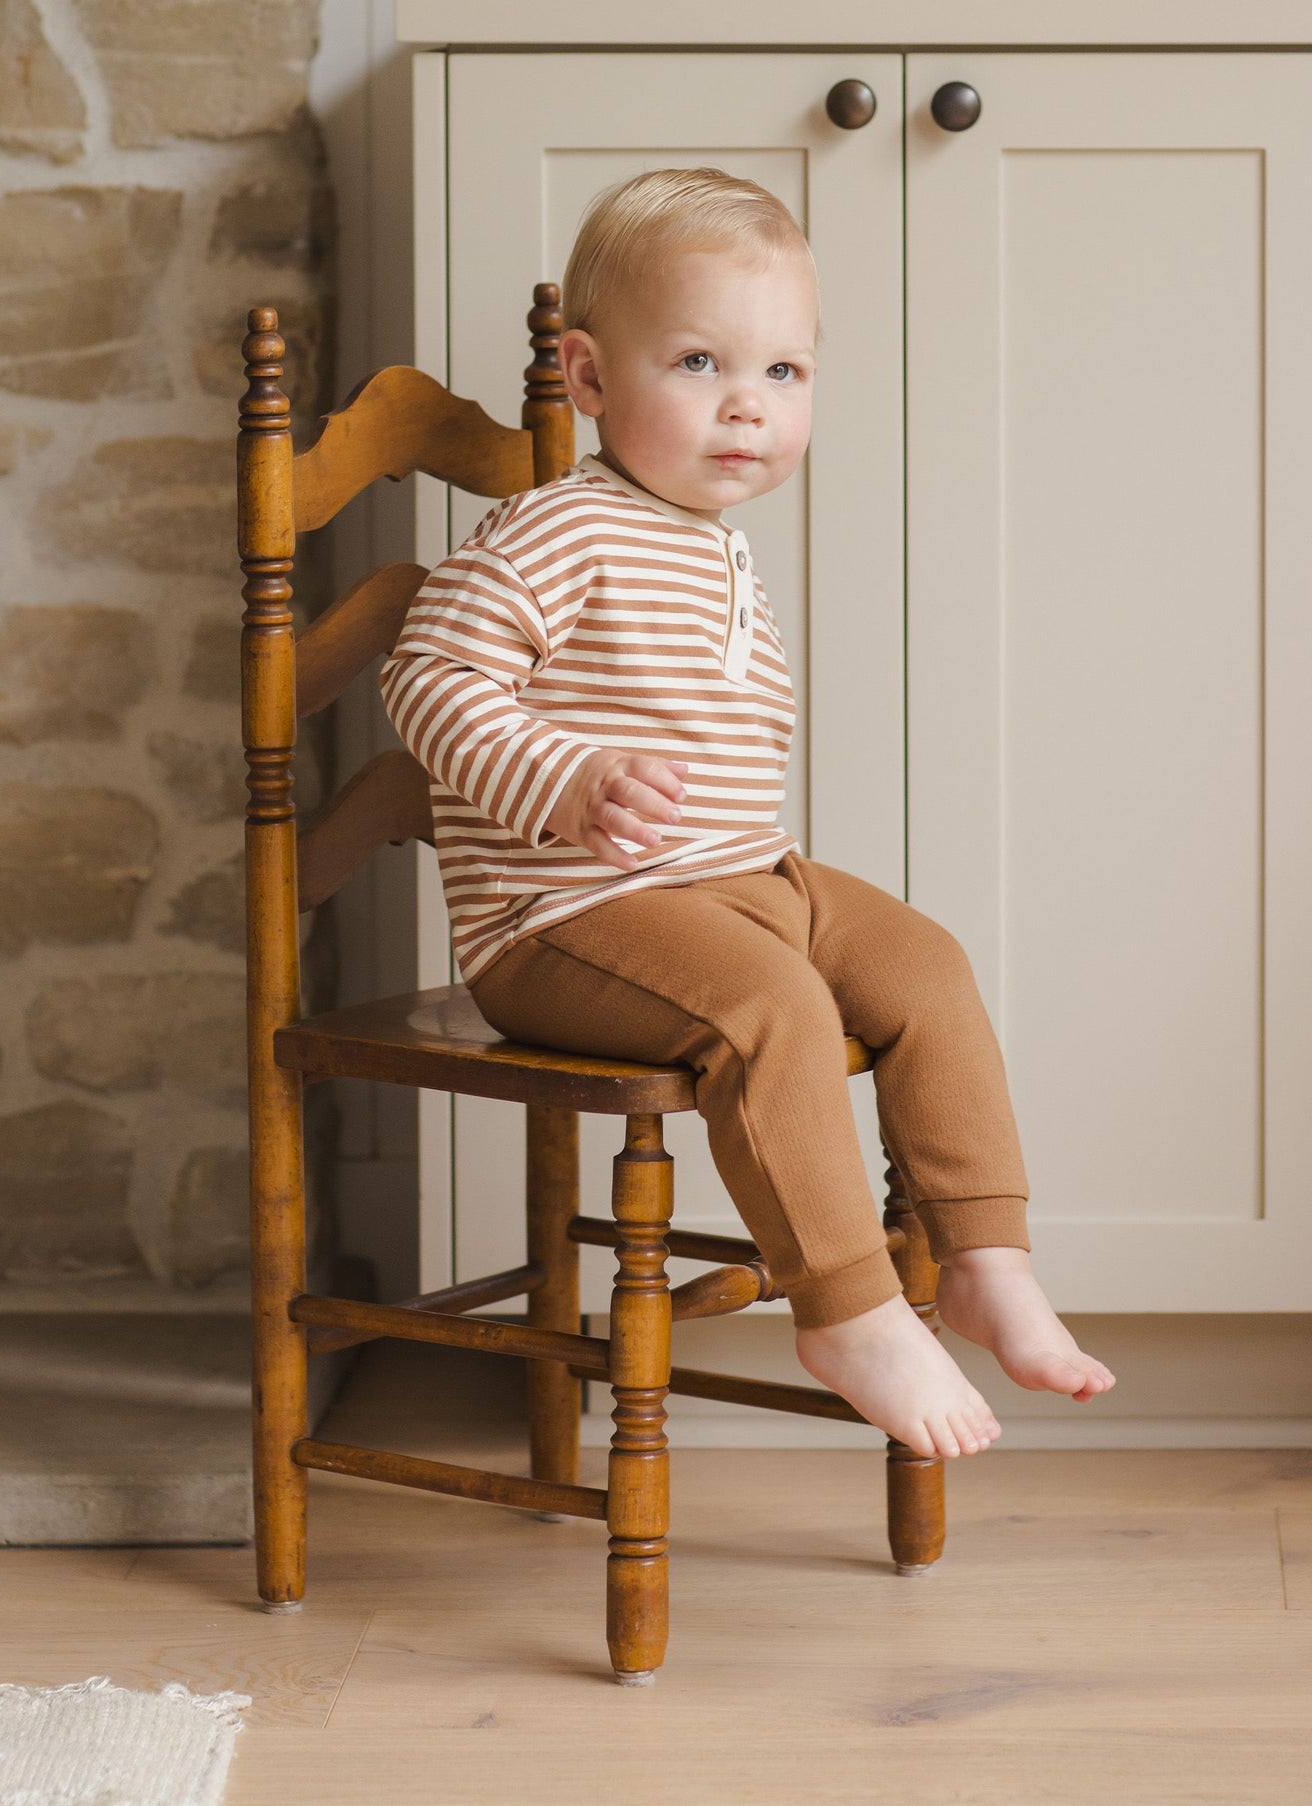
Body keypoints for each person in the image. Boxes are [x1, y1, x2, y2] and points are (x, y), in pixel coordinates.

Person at [378, 166, 1116, 1460]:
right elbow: (426, 677)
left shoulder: (707, 538)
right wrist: (562, 778)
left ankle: (983, 1249)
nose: (747, 405)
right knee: (776, 1007)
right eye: (701, 362)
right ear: (591, 381)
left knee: (919, 961)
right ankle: (846, 1305)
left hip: (729, 881)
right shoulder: (555, 530)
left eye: (784, 373)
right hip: (564, 916)